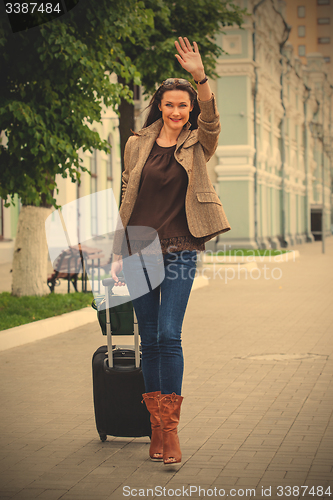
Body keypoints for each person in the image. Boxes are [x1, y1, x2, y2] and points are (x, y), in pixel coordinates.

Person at [111, 37, 231, 465]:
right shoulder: (136, 143)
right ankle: (156, 429)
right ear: (159, 108)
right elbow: (127, 196)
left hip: (181, 248)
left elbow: (213, 122)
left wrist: (200, 77)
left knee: (168, 334)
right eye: (170, 106)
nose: (177, 113)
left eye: (184, 106)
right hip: (139, 250)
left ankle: (172, 431)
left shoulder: (199, 142)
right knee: (150, 342)